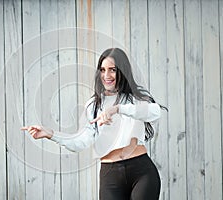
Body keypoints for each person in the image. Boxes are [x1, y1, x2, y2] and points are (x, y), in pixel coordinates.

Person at [22, 48, 166, 200]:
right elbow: (81, 141)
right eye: (102, 70)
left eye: (113, 70)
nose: (106, 75)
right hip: (110, 175)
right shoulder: (93, 105)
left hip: (141, 171)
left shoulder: (135, 98)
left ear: (122, 72)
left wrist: (117, 109)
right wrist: (51, 134)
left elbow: (155, 112)